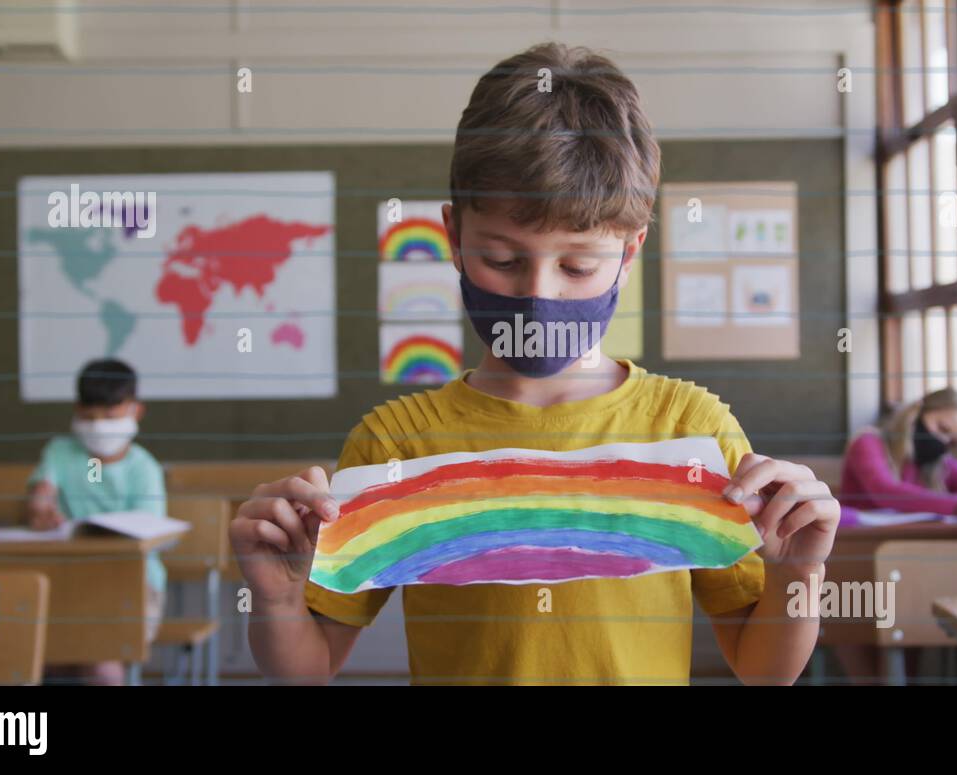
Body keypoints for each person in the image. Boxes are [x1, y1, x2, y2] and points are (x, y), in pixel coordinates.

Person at [229, 42, 841, 686]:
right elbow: (310, 668)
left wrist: (797, 572)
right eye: (502, 259)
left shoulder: (688, 428)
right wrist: (275, 597)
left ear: (630, 253)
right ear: (454, 239)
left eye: (577, 266)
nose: (538, 296)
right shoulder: (395, 442)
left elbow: (763, 670)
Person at [27, 358, 167, 685]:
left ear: (136, 410)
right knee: (22, 650)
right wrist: (40, 506)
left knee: (100, 662)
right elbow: (42, 492)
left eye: (110, 416)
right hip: (62, 582)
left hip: (132, 585)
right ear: (76, 411)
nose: (99, 425)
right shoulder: (59, 453)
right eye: (89, 417)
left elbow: (148, 531)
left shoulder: (144, 469)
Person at [840, 387, 957, 517]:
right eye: (942, 428)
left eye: (953, 442)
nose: (943, 442)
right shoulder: (868, 442)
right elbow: (886, 492)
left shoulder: (942, 464)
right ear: (917, 412)